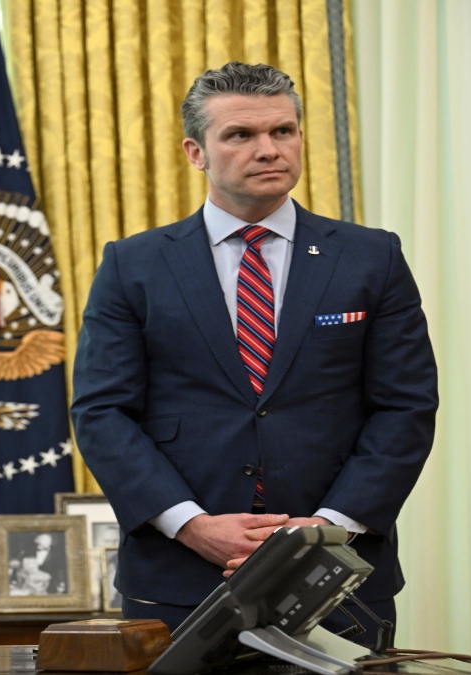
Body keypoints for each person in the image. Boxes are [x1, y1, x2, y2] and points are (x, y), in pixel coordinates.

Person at [70, 62, 436, 636]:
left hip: (338, 573)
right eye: (241, 135)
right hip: (179, 577)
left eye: (283, 131)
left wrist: (325, 530)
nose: (268, 149)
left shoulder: (372, 258)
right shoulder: (132, 265)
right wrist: (191, 526)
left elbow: (406, 406)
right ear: (197, 152)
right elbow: (101, 412)